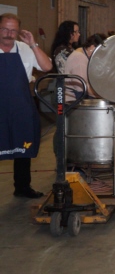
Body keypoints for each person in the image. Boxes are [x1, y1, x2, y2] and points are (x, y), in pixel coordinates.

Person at [0, 13, 52, 198]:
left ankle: (22, 187)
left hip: (20, 106)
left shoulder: (25, 49)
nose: (8, 33)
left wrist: (33, 44)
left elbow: (47, 67)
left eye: (13, 30)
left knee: (23, 146)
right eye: (4, 29)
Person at [64, 33, 107, 101]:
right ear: (92, 47)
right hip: (73, 102)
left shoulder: (82, 52)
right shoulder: (79, 58)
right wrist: (105, 97)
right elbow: (82, 88)